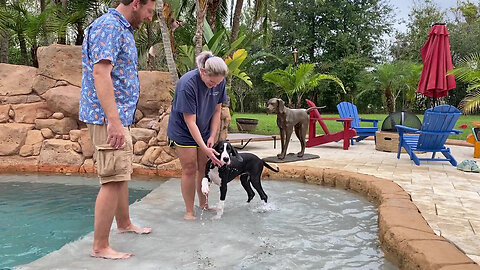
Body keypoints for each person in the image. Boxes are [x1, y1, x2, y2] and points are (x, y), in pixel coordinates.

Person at [79, 0, 155, 260]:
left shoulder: (122, 29)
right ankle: (100, 246)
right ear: (136, 4)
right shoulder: (108, 27)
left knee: (121, 172)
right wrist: (113, 121)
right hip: (107, 118)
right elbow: (101, 73)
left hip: (118, 116)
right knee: (112, 178)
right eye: (149, 11)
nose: (148, 18)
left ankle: (124, 223)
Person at [167, 51, 228, 220]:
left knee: (204, 167)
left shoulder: (219, 82)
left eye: (218, 83)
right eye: (211, 82)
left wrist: (212, 136)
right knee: (189, 168)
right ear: (203, 71)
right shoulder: (187, 84)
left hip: (205, 128)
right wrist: (204, 148)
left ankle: (204, 204)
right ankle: (189, 211)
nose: (214, 85)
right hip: (184, 130)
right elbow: (190, 122)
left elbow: (217, 110)